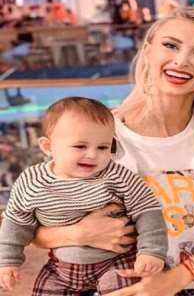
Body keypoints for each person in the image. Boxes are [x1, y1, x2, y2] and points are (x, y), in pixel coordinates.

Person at [32, 7, 194, 296]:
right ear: (148, 50)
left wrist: (176, 279)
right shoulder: (99, 138)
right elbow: (32, 226)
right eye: (170, 45)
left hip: (188, 287)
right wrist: (77, 233)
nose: (181, 61)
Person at [0, 97, 167, 294]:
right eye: (80, 146)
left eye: (103, 147)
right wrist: (7, 261)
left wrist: (152, 251)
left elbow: (147, 210)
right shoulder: (32, 181)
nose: (92, 155)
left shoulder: (116, 175)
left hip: (116, 261)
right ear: (47, 147)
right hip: (61, 267)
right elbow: (16, 222)